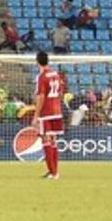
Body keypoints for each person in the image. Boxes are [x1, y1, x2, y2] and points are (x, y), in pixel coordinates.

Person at [33, 51, 66, 179]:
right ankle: (55, 171)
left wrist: (36, 115)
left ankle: (53, 172)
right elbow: (61, 91)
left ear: (37, 62)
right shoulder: (56, 74)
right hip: (57, 111)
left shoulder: (42, 76)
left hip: (46, 113)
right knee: (53, 140)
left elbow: (41, 96)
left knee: (46, 140)